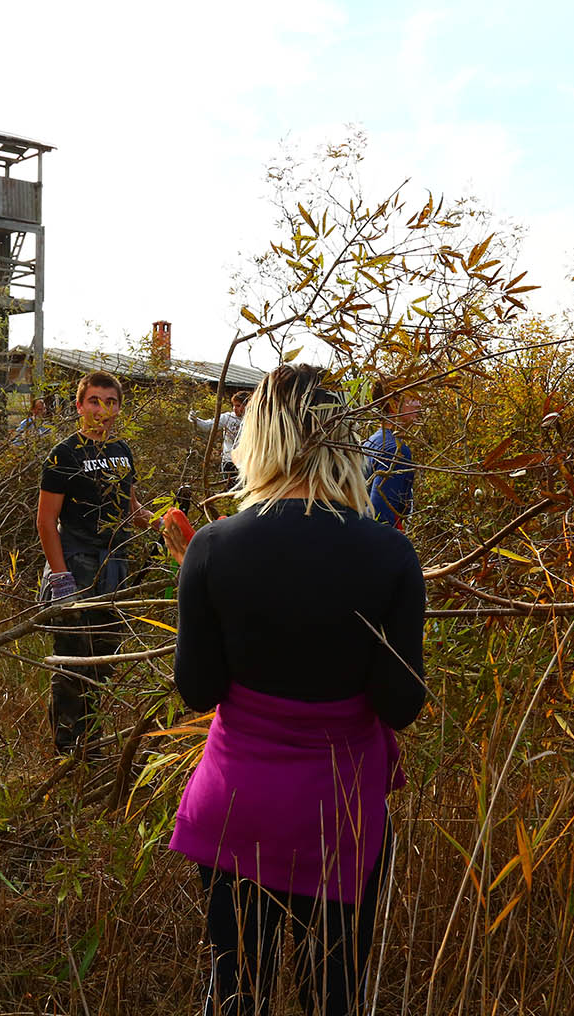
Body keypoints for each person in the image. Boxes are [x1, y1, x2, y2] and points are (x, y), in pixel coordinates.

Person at [167, 363, 426, 1016]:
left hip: (237, 804)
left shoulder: (211, 547)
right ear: (342, 441)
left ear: (258, 436)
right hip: (339, 810)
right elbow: (401, 703)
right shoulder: (389, 555)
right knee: (331, 993)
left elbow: (197, 691)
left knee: (235, 989)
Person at [36, 370, 153, 753]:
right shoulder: (64, 454)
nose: (102, 409)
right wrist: (60, 578)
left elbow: (131, 507)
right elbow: (45, 521)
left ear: (119, 407)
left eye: (111, 402)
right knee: (73, 660)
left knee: (102, 659)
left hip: (114, 564)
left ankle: (92, 743)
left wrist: (163, 520)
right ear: (79, 405)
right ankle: (68, 749)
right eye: (94, 401)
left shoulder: (122, 451)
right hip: (77, 564)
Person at [362, 378, 421, 530]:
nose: (418, 404)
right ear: (394, 405)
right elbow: (380, 515)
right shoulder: (395, 450)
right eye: (413, 399)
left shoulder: (370, 442)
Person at [189, 390, 250, 483]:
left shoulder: (254, 420)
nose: (235, 409)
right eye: (233, 405)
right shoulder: (228, 417)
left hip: (247, 462)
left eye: (238, 406)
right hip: (229, 460)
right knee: (229, 489)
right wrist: (195, 420)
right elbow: (208, 426)